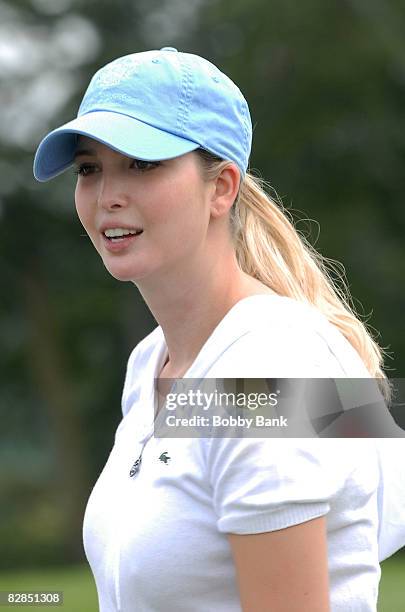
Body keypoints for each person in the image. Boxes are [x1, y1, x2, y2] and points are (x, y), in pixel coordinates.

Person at [33, 47, 405, 612]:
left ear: (223, 187)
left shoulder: (270, 364)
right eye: (89, 169)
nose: (108, 195)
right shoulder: (150, 362)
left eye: (142, 163)